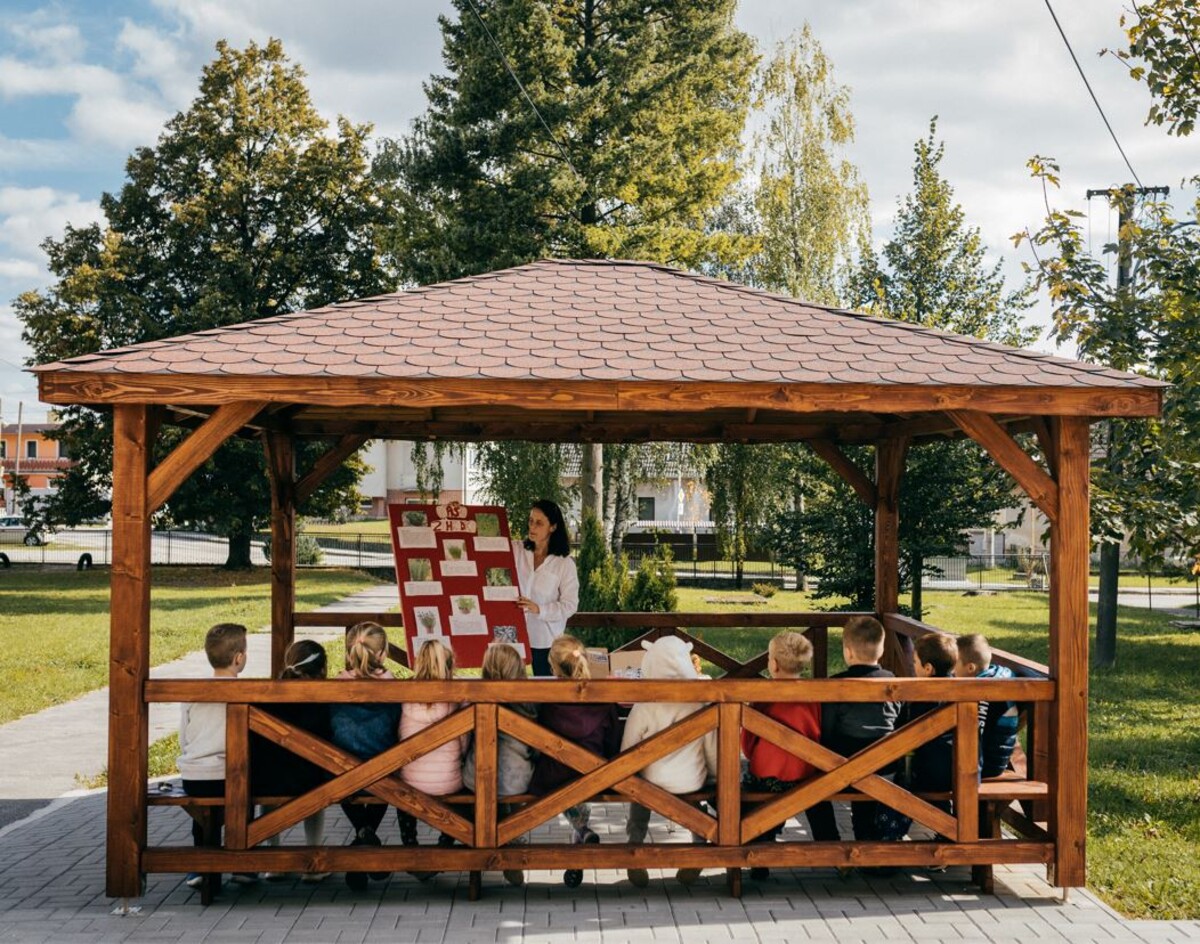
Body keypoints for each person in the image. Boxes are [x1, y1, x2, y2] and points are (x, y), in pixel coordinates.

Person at [620, 635, 718, 889]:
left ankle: (635, 846)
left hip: (651, 783)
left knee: (639, 796)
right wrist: (716, 775)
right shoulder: (700, 702)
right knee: (697, 798)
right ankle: (698, 847)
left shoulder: (644, 705)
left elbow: (627, 750)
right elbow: (711, 748)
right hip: (690, 780)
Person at [527, 634, 621, 889]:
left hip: (554, 773)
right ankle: (581, 834)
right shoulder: (603, 699)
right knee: (580, 781)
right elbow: (613, 740)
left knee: (562, 779)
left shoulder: (548, 701)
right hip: (596, 773)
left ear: (554, 667)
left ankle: (581, 832)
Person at [808, 616, 901, 846]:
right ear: (881, 649)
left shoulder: (836, 684)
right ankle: (868, 843)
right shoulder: (894, 681)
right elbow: (900, 721)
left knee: (807, 790)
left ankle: (830, 844)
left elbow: (827, 730)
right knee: (868, 783)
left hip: (842, 765)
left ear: (848, 652)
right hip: (886, 766)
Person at [178, 623, 257, 889]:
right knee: (244, 799)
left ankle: (200, 864)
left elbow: (183, 738)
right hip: (230, 776)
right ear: (239, 658)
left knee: (203, 816)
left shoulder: (192, 694)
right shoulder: (248, 694)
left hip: (195, 776)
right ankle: (243, 861)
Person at [740, 630, 822, 880]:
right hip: (806, 774)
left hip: (768, 776)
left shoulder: (764, 698)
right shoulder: (813, 696)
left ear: (773, 665)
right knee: (820, 802)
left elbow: (747, 744)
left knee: (755, 804)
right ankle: (832, 843)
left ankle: (759, 855)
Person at [251, 638, 334, 882]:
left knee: (271, 779)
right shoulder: (321, 698)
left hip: (269, 778)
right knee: (317, 787)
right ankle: (312, 859)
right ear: (322, 669)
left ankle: (273, 860)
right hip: (310, 779)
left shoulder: (271, 694)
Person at [329, 621, 399, 891]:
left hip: (341, 763)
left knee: (339, 781)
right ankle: (367, 839)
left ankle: (363, 837)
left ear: (350, 653)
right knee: (386, 783)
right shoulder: (391, 683)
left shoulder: (338, 683)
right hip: (383, 761)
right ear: (383, 654)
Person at [462, 642, 537, 887]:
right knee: (512, 778)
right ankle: (509, 838)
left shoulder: (474, 697)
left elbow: (464, 741)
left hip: (477, 780)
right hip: (518, 781)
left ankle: (464, 837)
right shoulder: (530, 704)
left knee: (473, 786)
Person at [397, 638, 467, 878]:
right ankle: (445, 845)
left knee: (402, 799)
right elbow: (465, 742)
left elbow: (400, 734)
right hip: (449, 782)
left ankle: (410, 846)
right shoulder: (456, 696)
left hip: (411, 781)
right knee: (466, 795)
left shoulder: (405, 695)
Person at [511, 499, 579, 677]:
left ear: (553, 527)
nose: (532, 527)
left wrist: (539, 609)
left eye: (539, 523)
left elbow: (570, 605)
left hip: (545, 641)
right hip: (513, 638)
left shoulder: (564, 564)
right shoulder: (516, 551)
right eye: (531, 521)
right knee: (510, 695)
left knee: (545, 698)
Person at [955, 634, 1019, 778]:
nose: (952, 671)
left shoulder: (984, 692)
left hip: (986, 765)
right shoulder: (995, 675)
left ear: (970, 667)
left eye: (955, 664)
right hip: (994, 759)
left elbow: (978, 735)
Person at [906, 634, 958, 798]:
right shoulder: (960, 690)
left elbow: (907, 733)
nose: (913, 666)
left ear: (928, 669)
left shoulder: (922, 697)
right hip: (962, 774)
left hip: (928, 777)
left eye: (914, 662)